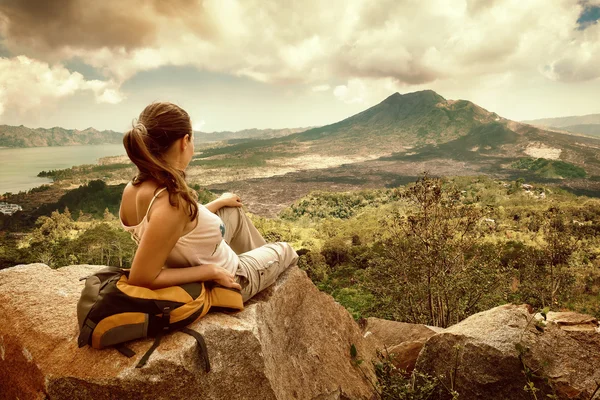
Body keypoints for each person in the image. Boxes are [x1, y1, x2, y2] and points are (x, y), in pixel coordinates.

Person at [118, 102, 298, 302]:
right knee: (285, 249)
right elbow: (141, 278)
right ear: (184, 141)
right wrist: (210, 271)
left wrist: (219, 202)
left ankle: (258, 262)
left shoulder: (132, 189)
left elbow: (180, 229)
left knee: (232, 211)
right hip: (228, 276)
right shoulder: (171, 203)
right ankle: (257, 272)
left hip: (196, 256)